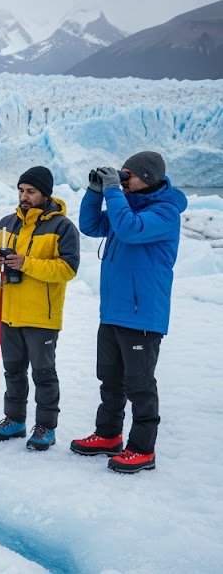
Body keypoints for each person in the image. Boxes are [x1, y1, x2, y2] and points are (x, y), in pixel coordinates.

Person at [71, 151, 187, 473]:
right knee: (110, 379)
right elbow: (90, 225)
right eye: (119, 174)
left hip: (143, 314)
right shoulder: (128, 208)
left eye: (127, 175)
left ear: (147, 179)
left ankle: (142, 449)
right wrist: (96, 192)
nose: (122, 180)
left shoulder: (164, 213)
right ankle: (108, 435)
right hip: (112, 312)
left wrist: (111, 191)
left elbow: (130, 229)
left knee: (139, 384)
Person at [0, 166, 80, 450]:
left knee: (43, 373)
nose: (24, 197)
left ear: (45, 194)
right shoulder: (7, 223)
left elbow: (67, 268)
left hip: (42, 316)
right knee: (13, 370)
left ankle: (46, 426)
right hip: (10, 312)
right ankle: (15, 420)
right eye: (22, 191)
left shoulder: (62, 227)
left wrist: (26, 264)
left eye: (31, 192)